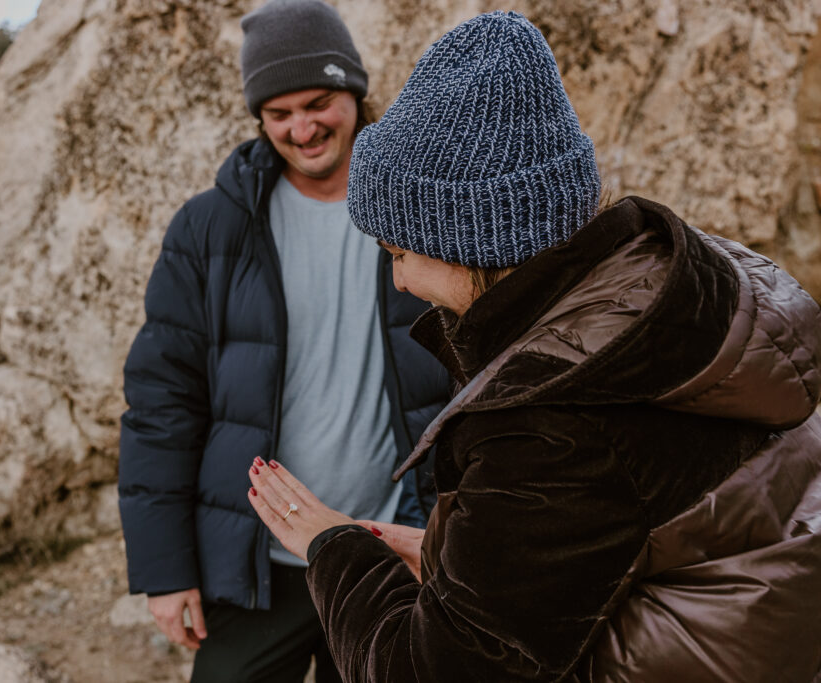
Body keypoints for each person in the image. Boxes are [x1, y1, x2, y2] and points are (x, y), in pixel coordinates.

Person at [248, 11, 821, 682]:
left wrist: (333, 548)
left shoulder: (552, 418)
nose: (399, 278)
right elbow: (611, 535)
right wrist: (450, 553)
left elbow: (433, 671)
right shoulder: (669, 302)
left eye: (399, 252)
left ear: (472, 241)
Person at [117, 1, 449, 681]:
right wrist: (165, 571)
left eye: (319, 101)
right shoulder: (210, 228)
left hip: (389, 548)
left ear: (353, 90)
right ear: (259, 119)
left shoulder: (427, 207)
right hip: (258, 558)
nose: (303, 127)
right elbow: (162, 401)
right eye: (278, 113)